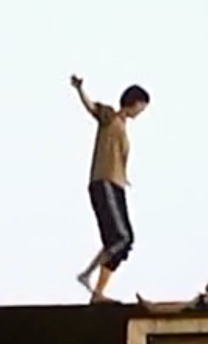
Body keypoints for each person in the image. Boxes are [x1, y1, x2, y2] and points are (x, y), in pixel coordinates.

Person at [70, 74, 150, 304]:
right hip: (104, 183)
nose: (140, 112)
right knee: (121, 237)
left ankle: (95, 289)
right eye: (141, 107)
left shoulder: (123, 127)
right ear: (134, 103)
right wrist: (79, 89)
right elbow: (91, 107)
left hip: (116, 186)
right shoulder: (111, 117)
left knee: (123, 242)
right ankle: (87, 277)